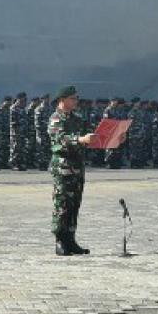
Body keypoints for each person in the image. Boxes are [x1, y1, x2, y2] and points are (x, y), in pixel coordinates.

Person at [48, 85, 96, 256]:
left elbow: (90, 136)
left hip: (77, 167)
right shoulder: (56, 118)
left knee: (74, 204)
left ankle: (70, 239)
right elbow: (60, 139)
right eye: (73, 98)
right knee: (62, 204)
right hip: (63, 167)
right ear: (62, 100)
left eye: (76, 98)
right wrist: (81, 139)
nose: (76, 101)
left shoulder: (77, 118)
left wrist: (115, 138)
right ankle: (60, 241)